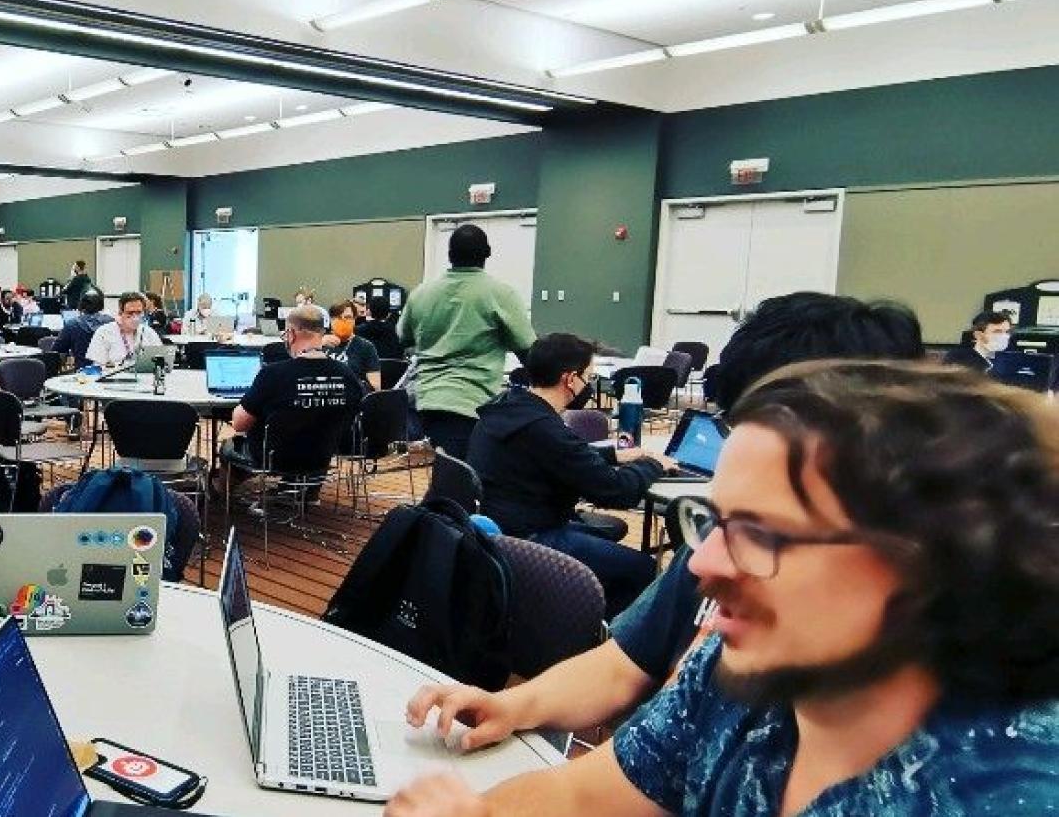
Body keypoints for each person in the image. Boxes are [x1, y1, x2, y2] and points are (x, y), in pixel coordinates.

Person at [388, 359, 1059, 816]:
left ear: (931, 565)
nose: (702, 563)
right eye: (714, 522)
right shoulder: (741, 673)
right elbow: (583, 796)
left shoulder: (1007, 790)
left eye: (762, 533)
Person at [399, 292, 926, 759]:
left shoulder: (936, 746)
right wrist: (516, 705)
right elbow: (623, 666)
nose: (704, 557)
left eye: (762, 526)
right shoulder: (718, 567)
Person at [469, 333, 673, 617]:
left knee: (609, 534)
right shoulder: (545, 428)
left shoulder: (507, 407)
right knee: (645, 570)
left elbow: (554, 456)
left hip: (500, 530)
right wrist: (653, 465)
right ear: (569, 379)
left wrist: (614, 455)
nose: (589, 385)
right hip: (532, 539)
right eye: (588, 377)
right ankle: (595, 632)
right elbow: (616, 491)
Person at [396, 224, 536, 460]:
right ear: (488, 253)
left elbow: (403, 337)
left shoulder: (421, 293)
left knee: (453, 470)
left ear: (450, 255)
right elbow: (528, 351)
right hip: (471, 401)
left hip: (427, 398)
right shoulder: (501, 294)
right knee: (462, 475)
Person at [224, 306, 365, 489]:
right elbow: (354, 412)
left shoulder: (273, 374)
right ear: (322, 333)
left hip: (275, 458)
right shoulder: (347, 374)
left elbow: (239, 424)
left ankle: (222, 496)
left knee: (229, 446)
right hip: (323, 455)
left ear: (291, 334)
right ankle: (306, 492)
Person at [86, 291, 164, 368]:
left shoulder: (149, 333)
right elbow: (98, 366)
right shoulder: (104, 332)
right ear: (120, 312)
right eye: (130, 313)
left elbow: (161, 360)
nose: (135, 317)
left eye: (138, 312)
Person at [323, 300, 382, 390]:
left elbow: (376, 387)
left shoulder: (366, 347)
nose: (343, 320)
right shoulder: (321, 344)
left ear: (354, 319)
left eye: (347, 317)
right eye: (338, 317)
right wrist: (318, 344)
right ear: (331, 320)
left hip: (353, 394)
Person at [54, 291, 111, 369]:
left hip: (82, 372)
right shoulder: (111, 322)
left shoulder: (72, 324)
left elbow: (57, 350)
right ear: (101, 306)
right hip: (109, 371)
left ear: (81, 306)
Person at [942, 309, 1013, 372]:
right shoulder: (958, 359)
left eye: (1007, 332)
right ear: (978, 335)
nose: (1005, 336)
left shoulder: (1007, 358)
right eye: (997, 332)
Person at [357, 294, 404, 360]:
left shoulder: (359, 331)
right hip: (391, 366)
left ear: (369, 312)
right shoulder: (395, 331)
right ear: (388, 314)